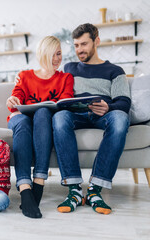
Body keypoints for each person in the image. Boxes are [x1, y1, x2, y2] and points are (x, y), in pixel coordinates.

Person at [53, 23, 131, 215]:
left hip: (103, 114)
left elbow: (124, 102)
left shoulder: (115, 71)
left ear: (97, 41)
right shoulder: (69, 67)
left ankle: (95, 190)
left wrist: (109, 107)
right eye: (76, 45)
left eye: (84, 44)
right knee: (59, 116)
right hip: (76, 113)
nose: (79, 50)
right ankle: (74, 190)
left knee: (120, 118)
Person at [7, 36, 74, 218]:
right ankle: (25, 188)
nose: (57, 58)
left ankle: (38, 181)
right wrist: (12, 100)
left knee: (43, 113)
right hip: (22, 120)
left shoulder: (66, 78)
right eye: (53, 54)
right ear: (43, 54)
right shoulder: (24, 75)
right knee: (21, 121)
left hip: (44, 122)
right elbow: (15, 102)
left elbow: (65, 102)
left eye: (59, 54)